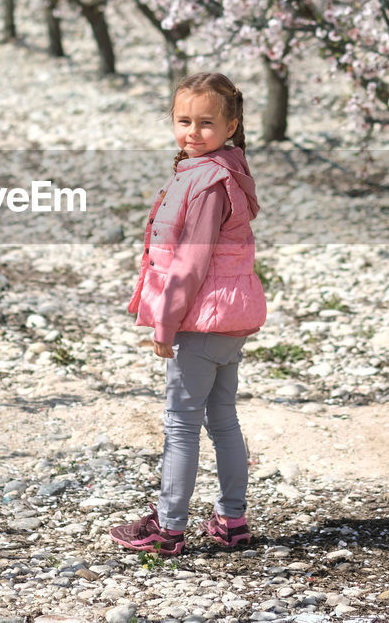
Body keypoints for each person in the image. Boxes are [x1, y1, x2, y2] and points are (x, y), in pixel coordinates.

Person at [109, 72, 268, 556]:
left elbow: (192, 262)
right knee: (222, 418)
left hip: (201, 320)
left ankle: (170, 527)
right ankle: (231, 520)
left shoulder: (206, 183)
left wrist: (166, 323)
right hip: (229, 316)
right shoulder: (226, 170)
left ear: (232, 125)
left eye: (206, 122)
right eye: (184, 121)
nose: (193, 132)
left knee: (181, 422)